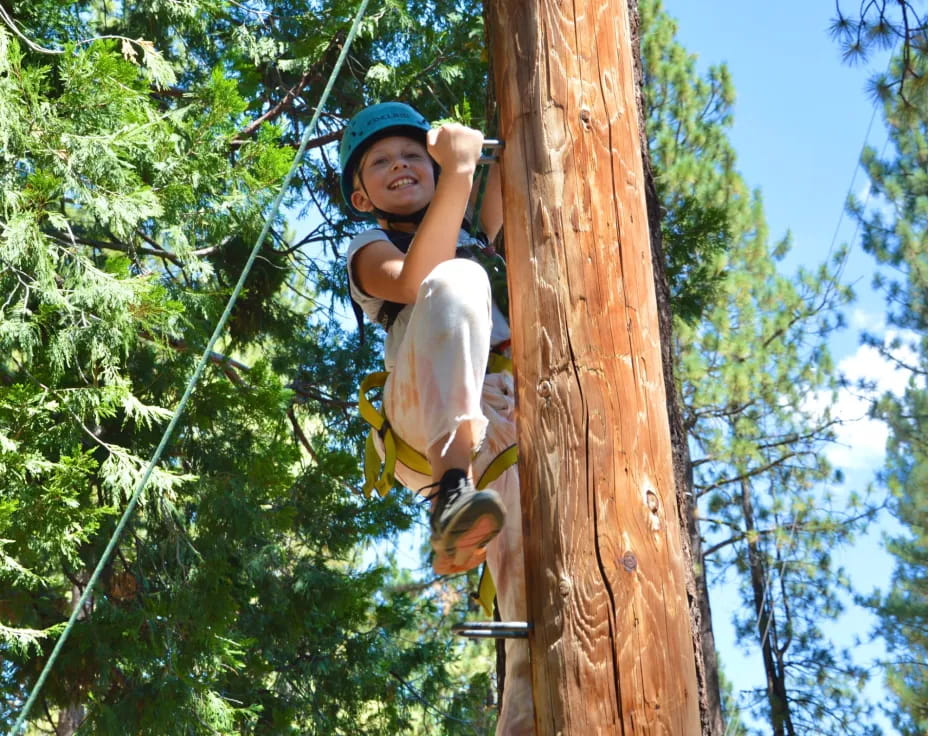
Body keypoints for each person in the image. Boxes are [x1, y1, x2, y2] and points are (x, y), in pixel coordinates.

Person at [340, 101, 534, 735]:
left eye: (411, 155)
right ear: (362, 197)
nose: (399, 165)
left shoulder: (474, 230)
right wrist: (456, 173)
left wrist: (494, 145)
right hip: (425, 416)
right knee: (456, 280)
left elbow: (515, 197)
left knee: (537, 615)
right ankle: (452, 495)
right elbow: (422, 277)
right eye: (379, 162)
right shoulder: (369, 248)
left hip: (503, 426)